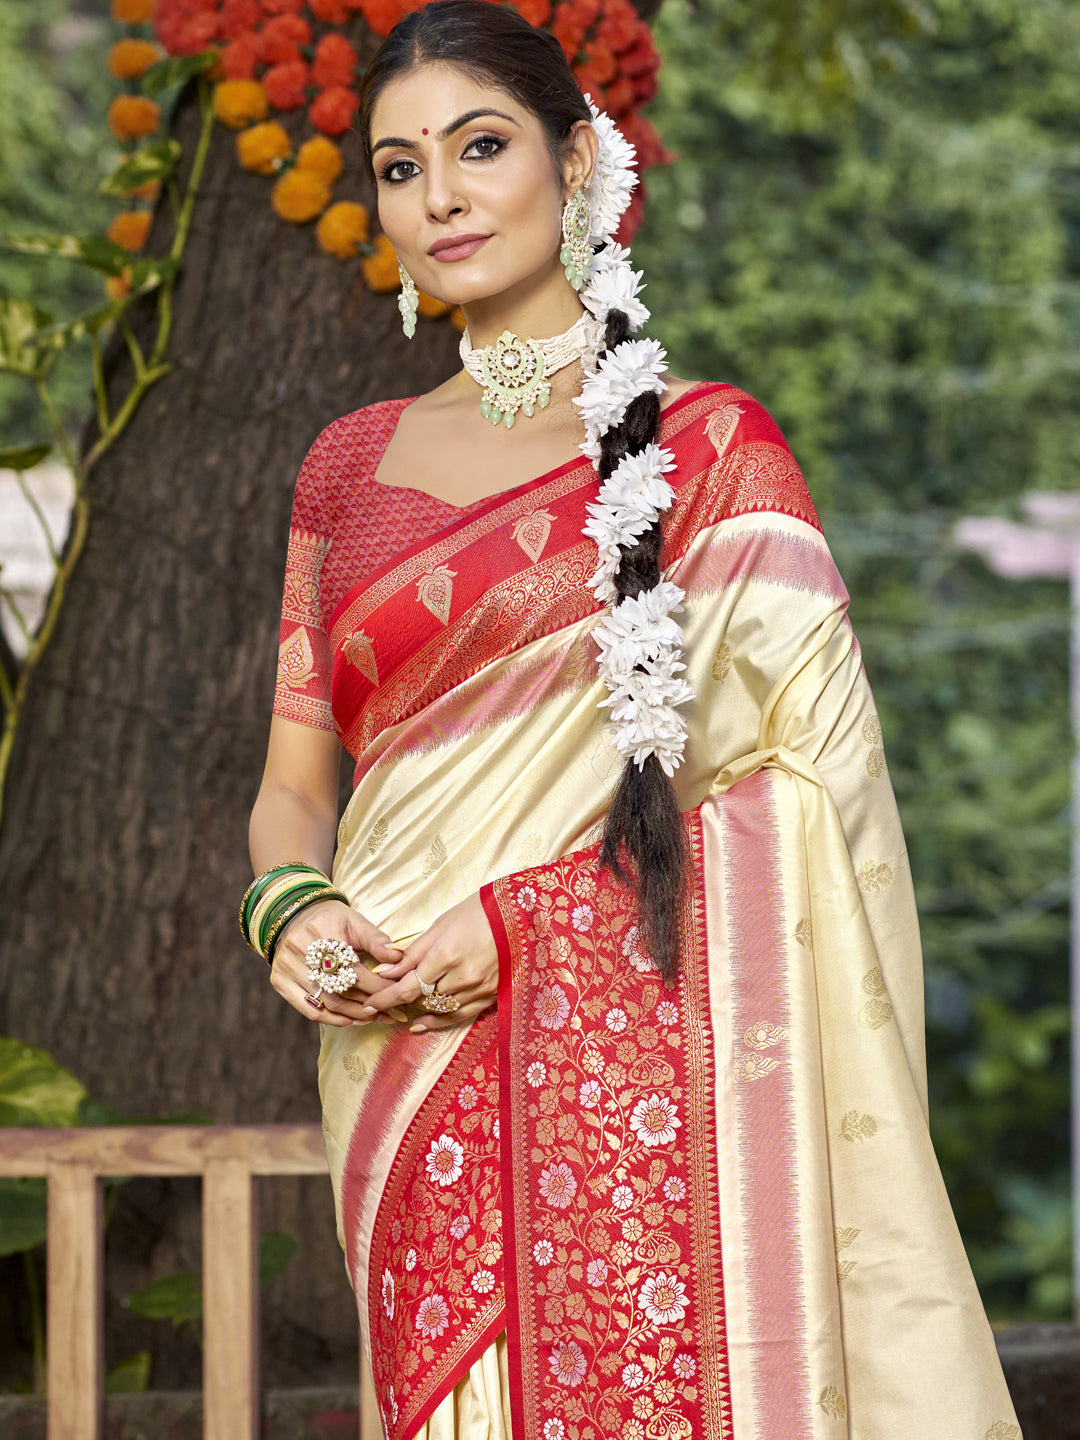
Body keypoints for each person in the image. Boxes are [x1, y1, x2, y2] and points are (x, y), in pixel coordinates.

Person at [243, 3, 1021, 1435]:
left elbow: (813, 789)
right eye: (401, 167)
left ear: (578, 160)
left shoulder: (709, 451)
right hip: (397, 1052)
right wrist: (289, 904)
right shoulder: (342, 472)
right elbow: (295, 783)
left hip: (620, 1051)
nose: (442, 195)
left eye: (481, 147)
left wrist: (535, 925)